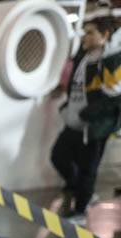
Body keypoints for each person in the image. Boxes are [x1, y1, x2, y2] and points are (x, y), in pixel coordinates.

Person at [51, 16, 121, 218]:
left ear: (104, 35)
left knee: (88, 169)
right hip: (74, 121)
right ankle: (78, 190)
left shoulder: (111, 61)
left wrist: (92, 112)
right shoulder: (82, 56)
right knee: (58, 157)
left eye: (90, 33)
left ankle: (81, 210)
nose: (85, 37)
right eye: (85, 32)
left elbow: (115, 95)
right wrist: (67, 107)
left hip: (95, 126)